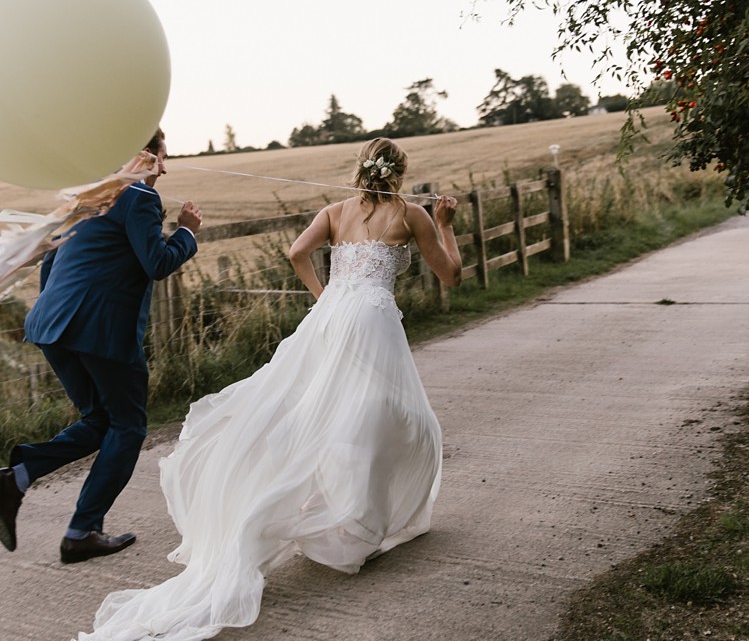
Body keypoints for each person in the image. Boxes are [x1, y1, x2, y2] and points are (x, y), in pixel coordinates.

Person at [79, 137, 462, 641]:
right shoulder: (412, 214)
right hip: (372, 320)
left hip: (330, 319)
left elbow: (296, 251)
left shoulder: (334, 209)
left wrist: (327, 298)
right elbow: (451, 276)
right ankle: (351, 526)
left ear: (360, 169)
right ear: (399, 172)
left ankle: (335, 513)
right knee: (392, 417)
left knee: (329, 413)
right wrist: (449, 227)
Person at [0, 129, 203, 564]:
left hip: (52, 324)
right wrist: (186, 232)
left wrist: (59, 313)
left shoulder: (90, 198)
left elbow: (51, 260)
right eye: (163, 156)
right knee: (129, 426)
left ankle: (19, 477)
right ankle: (82, 530)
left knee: (101, 419)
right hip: (99, 330)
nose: (166, 167)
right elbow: (157, 263)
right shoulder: (138, 197)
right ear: (145, 156)